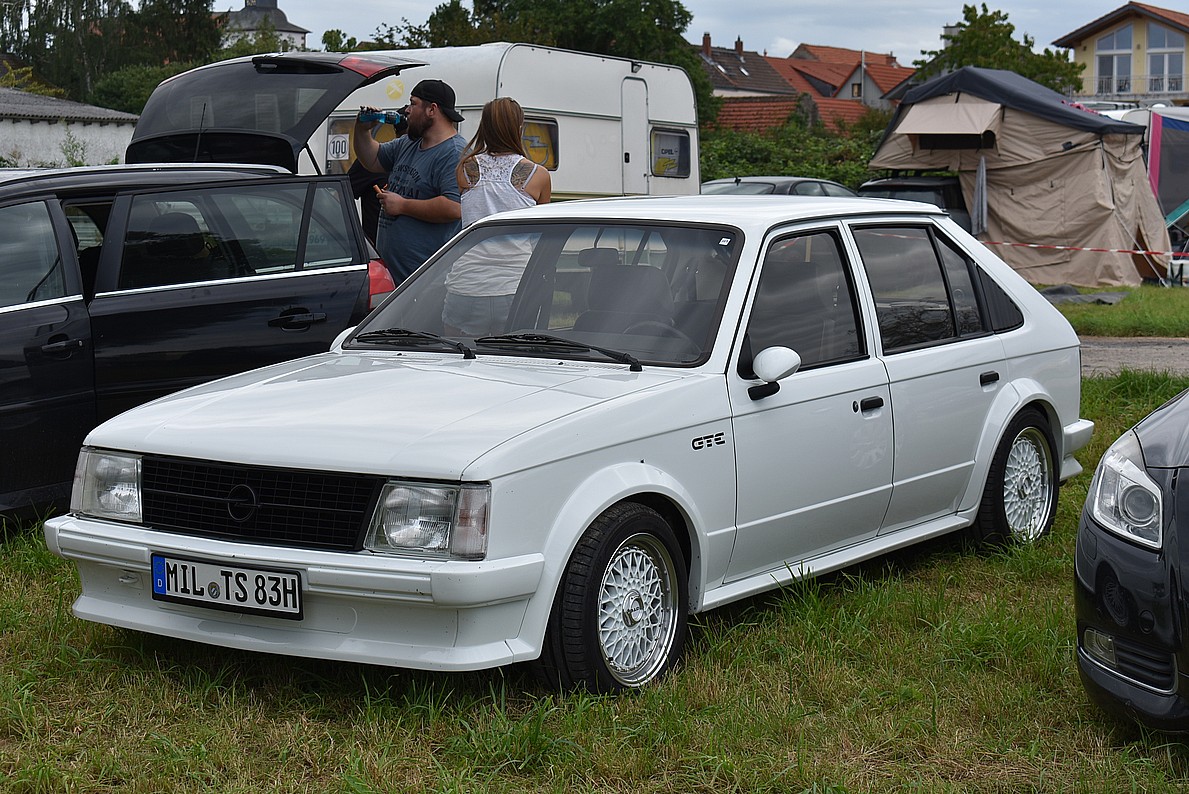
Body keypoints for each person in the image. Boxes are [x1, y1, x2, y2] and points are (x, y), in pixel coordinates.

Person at [441, 97, 552, 335]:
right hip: (515, 284)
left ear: (484, 127)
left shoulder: (465, 168)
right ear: (519, 128)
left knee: (458, 355)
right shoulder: (538, 175)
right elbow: (543, 237)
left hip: (467, 283)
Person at [353, 79, 466, 283]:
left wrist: (403, 205)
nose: (406, 110)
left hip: (424, 281)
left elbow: (453, 207)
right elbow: (372, 159)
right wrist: (362, 130)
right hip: (393, 277)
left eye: (413, 103)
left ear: (432, 109)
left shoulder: (453, 153)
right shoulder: (408, 143)